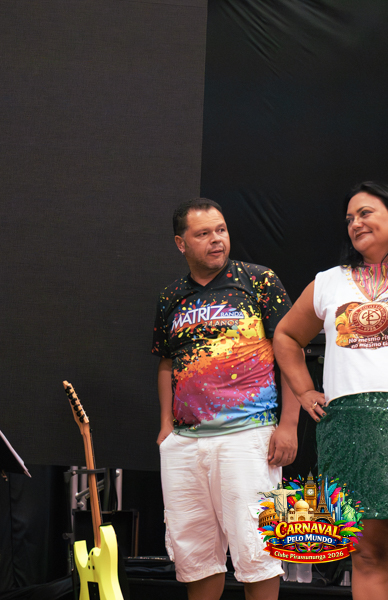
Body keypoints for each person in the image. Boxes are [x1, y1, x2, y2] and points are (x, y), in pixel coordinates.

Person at [151, 198, 300, 600]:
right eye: (203, 234)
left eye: (221, 230)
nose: (216, 239)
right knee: (194, 556)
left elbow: (290, 351)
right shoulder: (171, 296)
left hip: (248, 436)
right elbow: (166, 362)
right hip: (185, 443)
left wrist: (289, 425)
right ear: (181, 243)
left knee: (258, 550)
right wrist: (166, 426)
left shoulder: (258, 280)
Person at [273, 181, 388, 599]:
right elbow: (286, 336)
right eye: (350, 218)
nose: (355, 223)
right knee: (367, 552)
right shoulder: (329, 282)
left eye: (365, 213)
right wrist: (305, 391)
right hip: (350, 429)